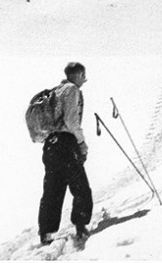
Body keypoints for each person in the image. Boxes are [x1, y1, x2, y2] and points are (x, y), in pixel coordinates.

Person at [38, 62, 93, 246]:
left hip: (51, 146)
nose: (85, 78)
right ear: (77, 74)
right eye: (83, 74)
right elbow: (71, 120)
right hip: (66, 145)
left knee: (52, 190)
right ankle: (81, 227)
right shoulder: (71, 90)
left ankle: (46, 233)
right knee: (80, 187)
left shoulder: (57, 90)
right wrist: (82, 142)